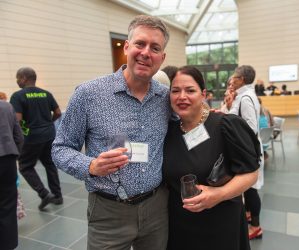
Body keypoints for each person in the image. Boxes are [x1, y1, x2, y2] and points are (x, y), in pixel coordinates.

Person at [52, 15, 171, 250]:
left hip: (157, 209)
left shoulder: (165, 98)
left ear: (162, 57)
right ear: (127, 46)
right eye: (140, 44)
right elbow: (60, 148)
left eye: (155, 48)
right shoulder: (88, 94)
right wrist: (90, 166)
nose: (146, 52)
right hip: (108, 212)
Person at [163, 65, 260, 250]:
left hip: (220, 224)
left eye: (190, 90)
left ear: (203, 94)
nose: (182, 96)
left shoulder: (225, 126)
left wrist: (218, 194)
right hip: (180, 226)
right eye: (175, 91)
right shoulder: (169, 132)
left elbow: (251, 173)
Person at [9, 67, 63, 211]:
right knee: (50, 164)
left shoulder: (17, 96)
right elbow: (58, 112)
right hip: (49, 134)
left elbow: (18, 120)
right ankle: (57, 196)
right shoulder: (46, 94)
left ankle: (44, 194)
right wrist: (48, 123)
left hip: (32, 137)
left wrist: (23, 133)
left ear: (24, 78)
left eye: (18, 78)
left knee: (25, 166)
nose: (17, 81)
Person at [228, 65, 264, 240]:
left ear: (241, 79)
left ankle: (256, 227)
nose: (231, 80)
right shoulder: (242, 96)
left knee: (251, 189)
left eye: (234, 77)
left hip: (248, 151)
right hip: (247, 149)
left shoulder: (246, 98)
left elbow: (250, 128)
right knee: (248, 188)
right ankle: (249, 214)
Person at [0, 100, 24, 250]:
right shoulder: (6, 106)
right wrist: (14, 157)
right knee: (8, 204)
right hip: (7, 160)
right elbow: (19, 137)